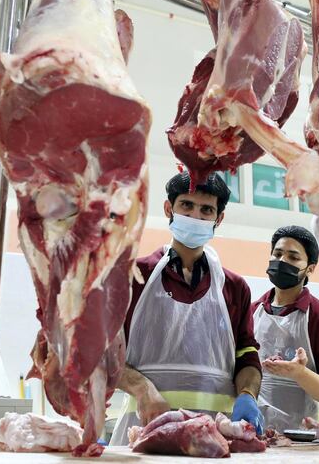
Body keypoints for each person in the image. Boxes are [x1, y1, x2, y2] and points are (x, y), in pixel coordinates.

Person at [109, 172, 263, 445]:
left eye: (206, 210)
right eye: (187, 206)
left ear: (219, 219)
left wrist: (247, 395)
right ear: (169, 208)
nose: (195, 215)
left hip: (217, 438)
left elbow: (247, 356)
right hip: (144, 430)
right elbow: (103, 356)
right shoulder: (132, 277)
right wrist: (142, 389)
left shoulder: (234, 287)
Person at [251, 225, 319, 432]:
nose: (282, 261)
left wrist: (300, 374)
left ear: (310, 268)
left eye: (293, 257)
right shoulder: (251, 313)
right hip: (255, 435)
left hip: (305, 439)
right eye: (277, 254)